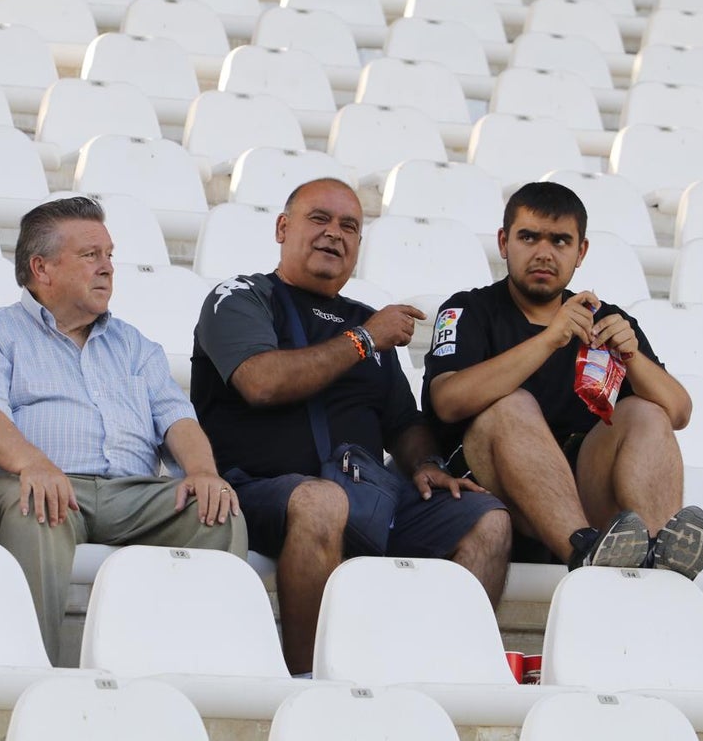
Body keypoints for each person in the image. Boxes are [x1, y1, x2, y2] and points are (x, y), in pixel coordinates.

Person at [191, 178, 511, 675]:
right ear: (282, 227)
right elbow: (262, 382)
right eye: (318, 219)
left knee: (487, 520)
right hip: (251, 491)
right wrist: (364, 339)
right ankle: (310, 687)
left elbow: (403, 423)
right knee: (322, 501)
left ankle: (441, 681)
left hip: (366, 494)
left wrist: (425, 463)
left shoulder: (366, 319)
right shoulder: (242, 296)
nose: (333, 234)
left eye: (349, 227)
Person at [0, 196, 246, 662]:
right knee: (36, 506)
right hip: (38, 482)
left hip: (133, 492)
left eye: (109, 255)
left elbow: (178, 419)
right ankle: (27, 675)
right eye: (91, 256)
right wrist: (34, 465)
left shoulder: (135, 344)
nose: (107, 268)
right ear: (41, 269)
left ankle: (189, 673)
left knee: (215, 512)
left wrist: (204, 472)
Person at [423, 181, 703, 579]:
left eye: (560, 241)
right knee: (510, 404)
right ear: (504, 243)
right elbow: (447, 400)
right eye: (529, 237)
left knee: (645, 413)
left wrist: (632, 359)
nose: (544, 252)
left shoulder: (607, 317)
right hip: (492, 499)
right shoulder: (467, 309)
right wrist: (549, 340)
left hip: (587, 502)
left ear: (581, 252)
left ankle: (659, 565)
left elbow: (679, 411)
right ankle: (584, 551)